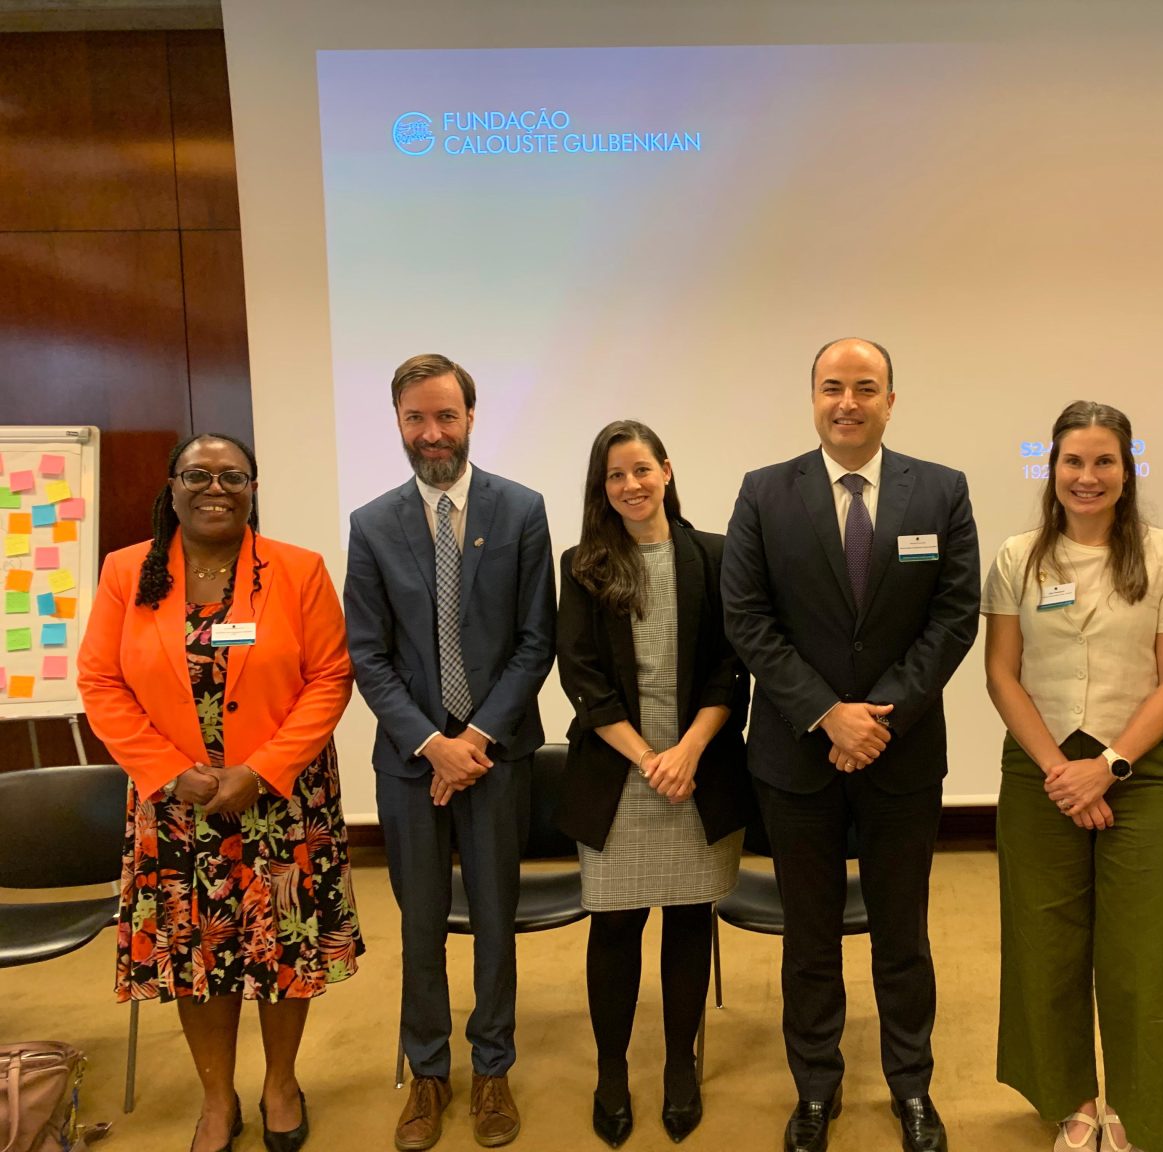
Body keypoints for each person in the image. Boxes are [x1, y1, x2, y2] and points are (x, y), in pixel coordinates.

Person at [721, 337, 979, 1152]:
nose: (848, 402)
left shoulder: (940, 490)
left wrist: (880, 717)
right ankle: (816, 1089)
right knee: (810, 932)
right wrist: (829, 714)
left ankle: (912, 1088)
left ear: (891, 401)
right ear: (813, 398)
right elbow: (748, 621)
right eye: (833, 387)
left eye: (866, 388)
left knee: (903, 932)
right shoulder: (764, 493)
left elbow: (954, 616)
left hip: (901, 757)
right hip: (798, 755)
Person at [78, 432, 360, 1152]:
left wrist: (262, 770)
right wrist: (167, 770)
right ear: (171, 488)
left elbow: (330, 677)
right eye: (198, 474)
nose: (216, 487)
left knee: (284, 946)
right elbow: (101, 682)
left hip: (280, 802)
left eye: (232, 476)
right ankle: (215, 1098)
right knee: (194, 953)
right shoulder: (125, 572)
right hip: (176, 808)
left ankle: (281, 1083)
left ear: (252, 488)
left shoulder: (297, 571)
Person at [982, 401, 1163, 1152]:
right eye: (1073, 462)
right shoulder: (1019, 556)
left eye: (1104, 461)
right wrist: (1061, 772)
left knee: (1146, 955)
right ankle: (1072, 1102)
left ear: (1127, 469)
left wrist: (1108, 767)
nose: (1088, 477)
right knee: (1044, 945)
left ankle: (1142, 1116)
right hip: (1040, 770)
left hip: (1141, 772)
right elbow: (1001, 673)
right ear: (1051, 470)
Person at [344, 353, 556, 1151]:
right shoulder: (371, 523)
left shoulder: (522, 509)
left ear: (471, 417)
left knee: (498, 918)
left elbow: (537, 642)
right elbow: (369, 654)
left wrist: (473, 740)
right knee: (423, 923)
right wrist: (433, 744)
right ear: (398, 424)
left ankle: (493, 1066)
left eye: (445, 416)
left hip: (496, 754)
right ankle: (428, 1072)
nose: (432, 434)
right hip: (409, 764)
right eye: (415, 419)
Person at [554, 419, 751, 1148]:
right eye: (614, 476)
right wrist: (649, 759)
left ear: (666, 470)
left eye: (641, 469)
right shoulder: (582, 564)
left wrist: (689, 751)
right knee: (615, 925)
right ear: (601, 490)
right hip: (620, 776)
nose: (630, 485)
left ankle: (678, 1067)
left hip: (700, 770)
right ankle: (612, 1071)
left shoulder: (716, 556)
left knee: (689, 919)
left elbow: (731, 669)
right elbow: (583, 678)